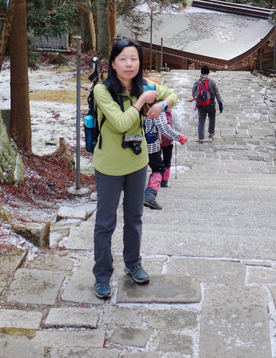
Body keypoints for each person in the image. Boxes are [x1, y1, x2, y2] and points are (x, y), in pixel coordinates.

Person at [91, 39, 178, 299]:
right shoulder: (102, 91)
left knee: (134, 217)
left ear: (140, 62)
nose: (129, 64)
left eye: (134, 59)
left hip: (137, 163)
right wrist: (141, 102)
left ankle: (133, 264)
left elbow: (172, 94)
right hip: (108, 165)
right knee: (105, 222)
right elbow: (120, 123)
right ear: (113, 63)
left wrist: (162, 104)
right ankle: (103, 275)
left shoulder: (147, 86)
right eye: (123, 59)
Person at [142, 77, 188, 210]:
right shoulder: (157, 108)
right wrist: (179, 137)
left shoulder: (136, 104)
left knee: (136, 170)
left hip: (135, 144)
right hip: (151, 146)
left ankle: (129, 199)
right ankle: (149, 196)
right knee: (158, 169)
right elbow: (164, 128)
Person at [192, 65, 223, 142]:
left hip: (200, 104)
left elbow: (193, 92)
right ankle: (211, 132)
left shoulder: (197, 82)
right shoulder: (212, 82)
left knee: (201, 120)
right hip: (211, 103)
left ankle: (201, 138)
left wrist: (196, 100)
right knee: (212, 117)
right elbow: (216, 93)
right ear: (208, 73)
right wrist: (220, 102)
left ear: (201, 72)